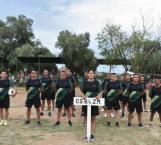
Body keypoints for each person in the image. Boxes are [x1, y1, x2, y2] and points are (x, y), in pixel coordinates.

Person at [81, 69, 100, 141]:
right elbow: (82, 91)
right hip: (86, 103)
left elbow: (100, 92)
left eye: (92, 73)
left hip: (94, 102)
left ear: (94, 74)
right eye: (90, 73)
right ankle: (87, 134)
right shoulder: (84, 82)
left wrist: (98, 96)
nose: (91, 74)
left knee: (93, 119)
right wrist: (82, 95)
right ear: (88, 74)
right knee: (86, 119)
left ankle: (92, 135)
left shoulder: (97, 82)